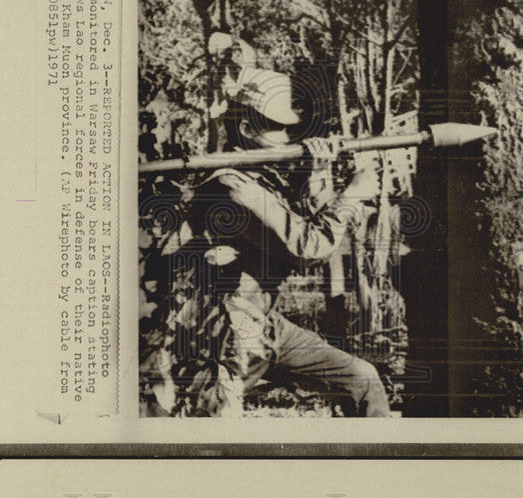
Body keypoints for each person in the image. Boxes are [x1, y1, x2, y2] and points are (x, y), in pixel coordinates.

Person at [140, 33, 391, 417]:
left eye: (294, 128)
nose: (291, 138)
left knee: (364, 381)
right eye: (279, 127)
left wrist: (319, 177)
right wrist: (352, 195)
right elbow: (308, 248)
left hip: (264, 325)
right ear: (245, 129)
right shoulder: (233, 186)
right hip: (221, 337)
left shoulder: (268, 179)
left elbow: (315, 240)